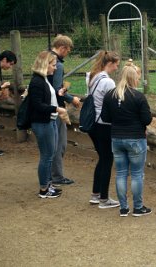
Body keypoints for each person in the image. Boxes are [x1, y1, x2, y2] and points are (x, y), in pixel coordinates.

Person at [101, 61, 153, 217]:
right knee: (137, 174)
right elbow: (147, 119)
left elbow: (105, 117)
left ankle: (123, 208)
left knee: (121, 173)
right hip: (136, 139)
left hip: (116, 138)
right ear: (134, 78)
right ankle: (138, 207)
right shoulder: (138, 96)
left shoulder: (110, 95)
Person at [29, 51, 67, 198]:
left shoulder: (44, 79)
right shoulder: (37, 82)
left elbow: (48, 99)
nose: (55, 68)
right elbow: (38, 105)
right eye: (53, 65)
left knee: (50, 154)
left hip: (50, 121)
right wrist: (56, 108)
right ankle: (44, 189)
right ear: (45, 64)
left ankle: (48, 184)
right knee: (47, 155)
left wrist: (59, 95)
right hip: (42, 123)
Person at [86, 50, 120, 209]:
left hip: (93, 123)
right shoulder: (108, 82)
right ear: (110, 64)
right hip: (103, 125)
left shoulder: (94, 77)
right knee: (107, 160)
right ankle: (104, 199)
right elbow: (113, 105)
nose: (116, 68)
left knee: (102, 158)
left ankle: (95, 194)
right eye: (116, 65)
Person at [48, 34, 81, 186]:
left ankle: (49, 174)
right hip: (56, 108)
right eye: (67, 51)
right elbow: (56, 89)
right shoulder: (57, 65)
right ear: (62, 48)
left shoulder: (44, 58)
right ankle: (57, 176)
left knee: (50, 143)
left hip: (45, 107)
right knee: (60, 143)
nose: (67, 53)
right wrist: (71, 99)